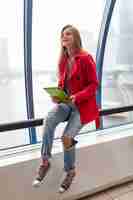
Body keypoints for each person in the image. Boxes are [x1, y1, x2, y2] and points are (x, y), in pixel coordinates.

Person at [32, 24, 99, 193]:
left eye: (68, 34)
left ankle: (70, 171)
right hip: (66, 103)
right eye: (63, 34)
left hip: (81, 106)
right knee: (48, 120)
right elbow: (63, 85)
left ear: (75, 37)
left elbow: (93, 85)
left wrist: (78, 96)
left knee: (67, 137)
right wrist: (57, 95)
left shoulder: (85, 58)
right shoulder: (63, 60)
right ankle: (45, 162)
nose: (64, 36)